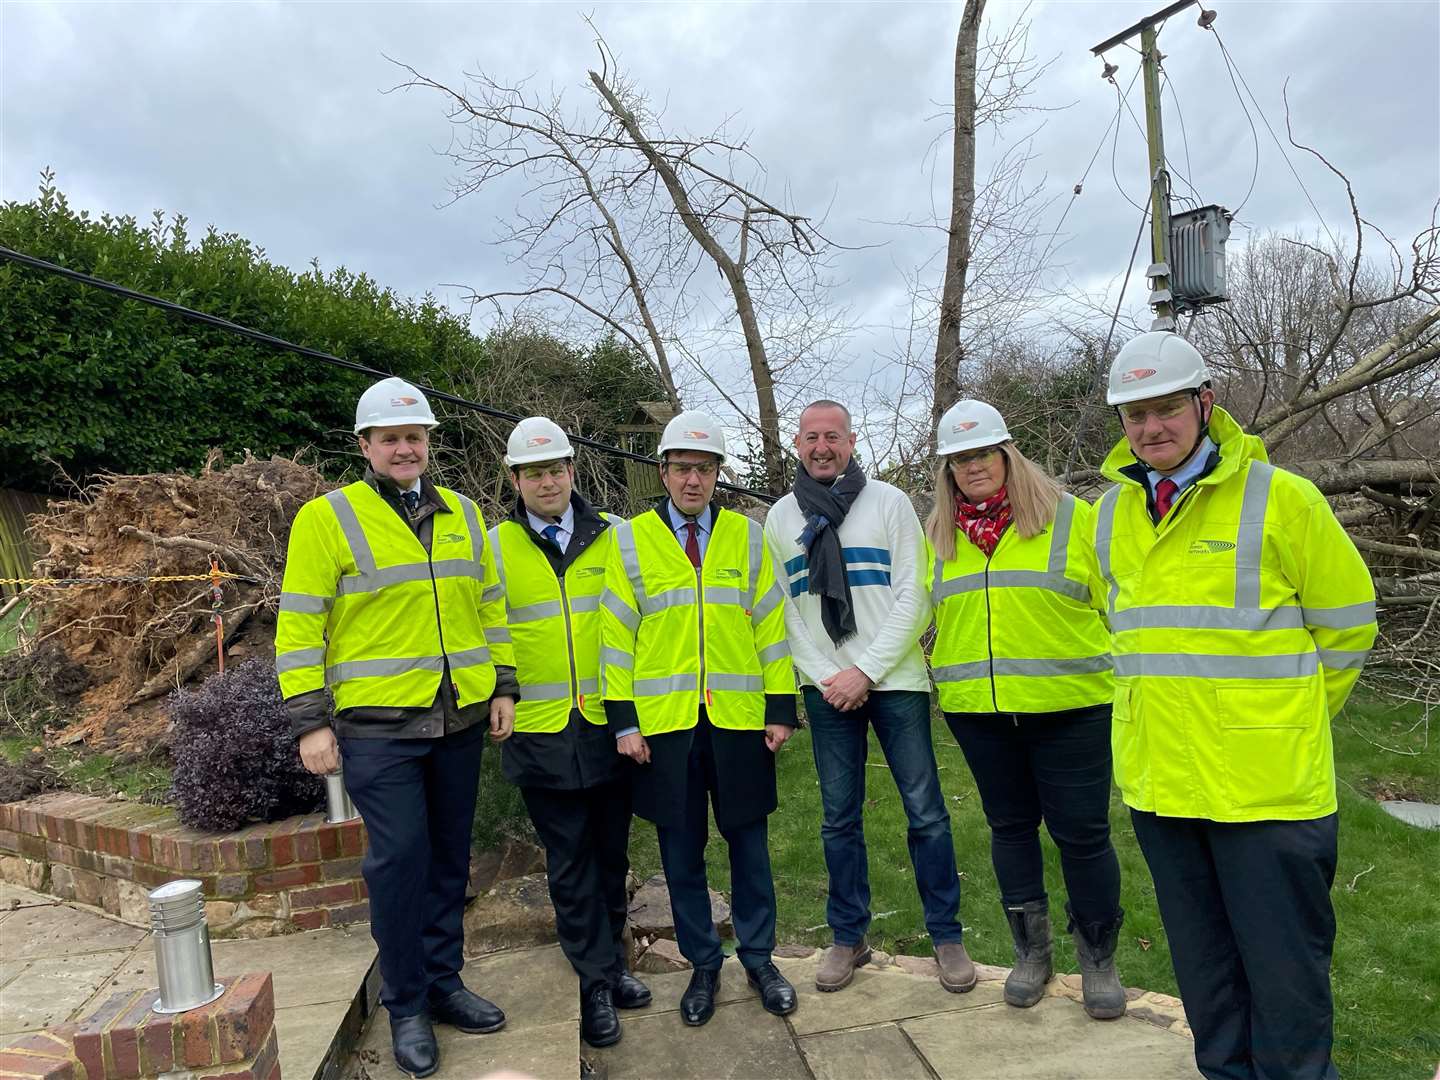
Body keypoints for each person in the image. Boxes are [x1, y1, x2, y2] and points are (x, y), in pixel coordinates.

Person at [1091, 332, 1377, 1080]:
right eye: (1134, 415)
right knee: (1209, 984)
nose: (1151, 428)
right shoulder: (1108, 517)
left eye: (1166, 409)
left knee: (1286, 988)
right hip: (1164, 788)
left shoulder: (1283, 499)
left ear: (1205, 403)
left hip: (1268, 795)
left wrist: (1289, 721)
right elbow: (1121, 635)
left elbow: (1347, 627)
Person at [275, 377, 516, 1079]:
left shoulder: (466, 514)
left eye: (415, 437)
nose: (406, 448)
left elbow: (490, 608)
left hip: (460, 717)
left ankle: (444, 984)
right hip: (379, 727)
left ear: (427, 443)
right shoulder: (327, 519)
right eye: (391, 438)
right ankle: (405, 1002)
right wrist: (309, 724)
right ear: (366, 447)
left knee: (447, 858)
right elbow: (299, 626)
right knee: (399, 858)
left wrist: (502, 685)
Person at [762, 400, 972, 994]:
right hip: (825, 685)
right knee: (837, 818)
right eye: (811, 437)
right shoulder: (780, 519)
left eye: (833, 435)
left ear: (852, 441)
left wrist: (867, 671)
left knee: (926, 812)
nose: (822, 446)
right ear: (797, 445)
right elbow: (783, 611)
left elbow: (916, 594)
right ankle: (847, 936)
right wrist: (830, 674)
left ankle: (947, 935)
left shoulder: (889, 503)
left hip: (895, 682)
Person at [599, 410, 800, 1027]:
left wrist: (780, 706)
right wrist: (624, 722)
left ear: (718, 475)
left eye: (705, 468)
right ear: (663, 472)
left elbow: (771, 625)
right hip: (666, 726)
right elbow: (615, 635)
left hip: (738, 721)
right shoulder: (630, 540)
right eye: (683, 467)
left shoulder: (746, 535)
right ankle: (704, 965)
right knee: (681, 851)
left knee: (749, 844)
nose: (693, 479)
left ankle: (760, 958)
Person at [924, 399, 1123, 1019]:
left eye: (982, 453)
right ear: (947, 470)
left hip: (1071, 709)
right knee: (1010, 830)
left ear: (1007, 454)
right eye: (959, 459)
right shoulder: (937, 536)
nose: (972, 467)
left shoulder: (1074, 519)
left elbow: (1123, 605)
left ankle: (1098, 959)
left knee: (1083, 837)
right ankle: (1031, 955)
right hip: (979, 715)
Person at [488, 416, 650, 1049]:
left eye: (556, 468)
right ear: (516, 479)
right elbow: (487, 629)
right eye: (534, 472)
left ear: (572, 472)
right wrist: (500, 691)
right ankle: (593, 982)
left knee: (612, 853)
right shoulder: (495, 547)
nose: (547, 480)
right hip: (539, 728)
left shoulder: (615, 536)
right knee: (569, 859)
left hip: (609, 724)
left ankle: (614, 963)